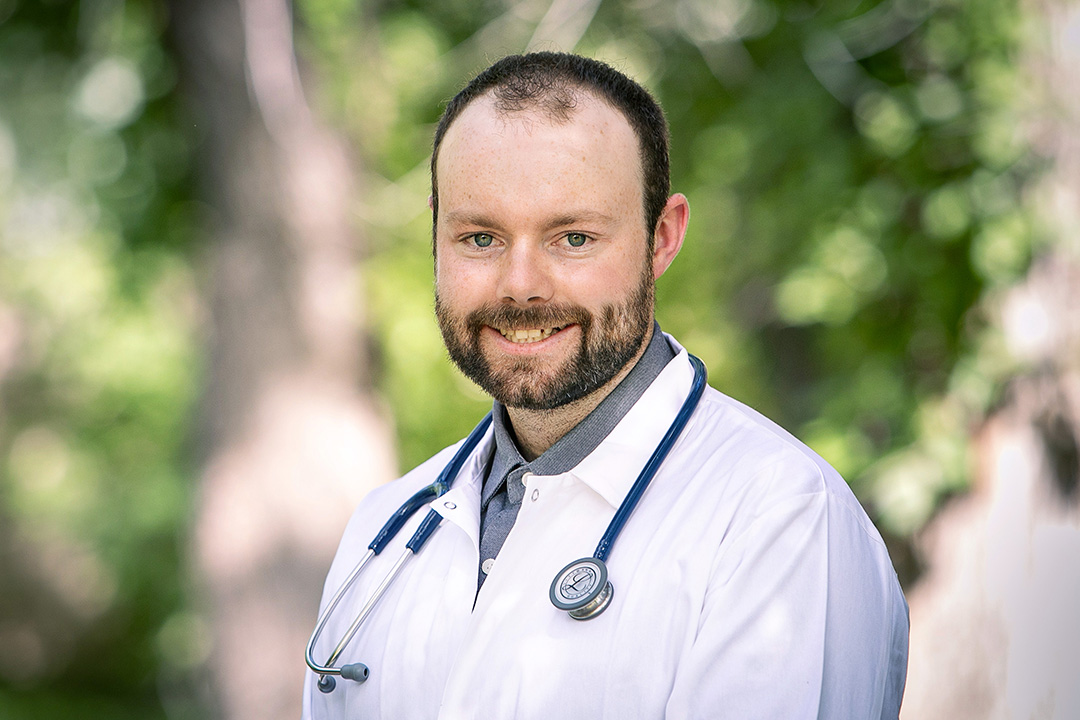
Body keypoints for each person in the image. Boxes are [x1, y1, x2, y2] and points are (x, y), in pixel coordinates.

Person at [302, 52, 908, 719]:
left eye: (574, 237)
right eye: (480, 238)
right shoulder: (384, 531)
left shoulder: (778, 518)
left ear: (662, 238)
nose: (521, 283)